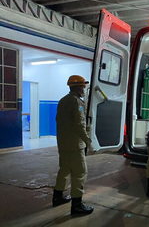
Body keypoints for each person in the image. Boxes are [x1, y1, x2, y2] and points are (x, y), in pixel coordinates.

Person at [52, 75, 94, 215]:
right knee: (80, 173)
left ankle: (57, 197)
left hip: (63, 143)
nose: (84, 89)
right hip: (75, 145)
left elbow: (59, 120)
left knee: (64, 169)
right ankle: (77, 205)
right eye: (82, 86)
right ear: (77, 87)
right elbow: (79, 125)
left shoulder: (63, 100)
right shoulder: (77, 103)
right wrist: (88, 141)